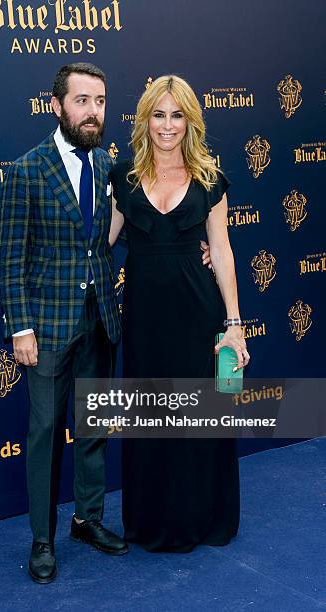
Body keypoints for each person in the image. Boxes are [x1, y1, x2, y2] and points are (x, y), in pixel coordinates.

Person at [0, 63, 130, 583]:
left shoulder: (107, 166)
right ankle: (41, 540)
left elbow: (121, 230)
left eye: (99, 101)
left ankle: (88, 520)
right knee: (45, 432)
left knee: (94, 427)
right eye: (82, 101)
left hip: (101, 320)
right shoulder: (27, 170)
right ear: (57, 106)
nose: (93, 111)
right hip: (47, 326)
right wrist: (21, 328)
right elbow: (9, 259)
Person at [108, 75, 250, 552]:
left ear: (191, 121)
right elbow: (99, 245)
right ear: (145, 119)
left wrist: (234, 324)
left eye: (177, 115)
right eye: (158, 114)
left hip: (197, 311)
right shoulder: (122, 179)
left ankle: (203, 518)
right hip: (146, 316)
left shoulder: (210, 180)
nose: (167, 125)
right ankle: (151, 522)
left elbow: (223, 251)